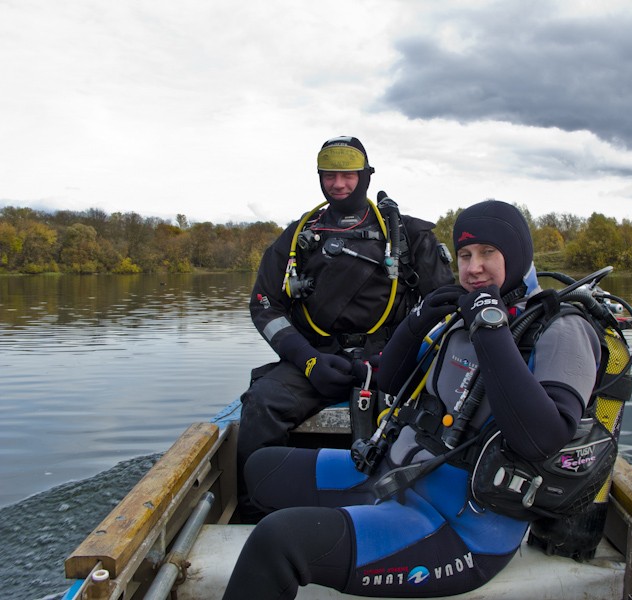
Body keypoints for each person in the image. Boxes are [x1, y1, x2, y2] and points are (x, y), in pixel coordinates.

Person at [223, 200, 604, 599]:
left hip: (462, 528)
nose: (474, 267)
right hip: (395, 475)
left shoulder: (561, 330)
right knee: (261, 469)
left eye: (489, 253)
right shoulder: (459, 319)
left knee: (277, 541)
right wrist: (418, 319)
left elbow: (543, 438)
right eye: (465, 255)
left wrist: (490, 328)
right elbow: (389, 382)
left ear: (518, 254)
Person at [238, 136, 454, 480]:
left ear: (366, 176)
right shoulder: (297, 237)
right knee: (261, 404)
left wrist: (404, 352)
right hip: (316, 360)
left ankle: (412, 503)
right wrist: (307, 360)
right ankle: (256, 510)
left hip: (391, 362)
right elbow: (265, 306)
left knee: (440, 411)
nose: (338, 185)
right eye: (329, 176)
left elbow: (445, 309)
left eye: (348, 175)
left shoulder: (409, 235)